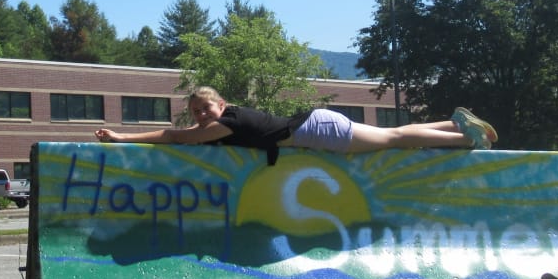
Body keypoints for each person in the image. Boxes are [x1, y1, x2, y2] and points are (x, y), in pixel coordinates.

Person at [94, 86, 496, 163]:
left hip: (315, 131)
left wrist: (121, 137)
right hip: (314, 125)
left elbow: (173, 136)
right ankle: (454, 122)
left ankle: (463, 139)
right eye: (196, 110)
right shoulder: (231, 118)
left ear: (221, 104)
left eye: (205, 108)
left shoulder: (225, 124)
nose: (201, 116)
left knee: (392, 137)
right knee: (389, 136)